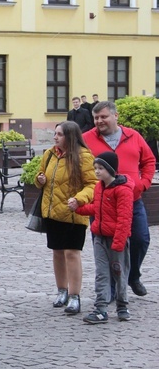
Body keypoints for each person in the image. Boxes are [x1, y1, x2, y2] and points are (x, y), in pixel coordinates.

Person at [82, 101, 155, 296]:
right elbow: (77, 164)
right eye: (96, 118)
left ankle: (132, 276)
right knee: (105, 247)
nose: (99, 121)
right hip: (102, 204)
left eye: (103, 117)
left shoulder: (133, 136)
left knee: (141, 239)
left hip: (132, 200)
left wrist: (143, 183)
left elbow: (149, 161)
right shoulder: (86, 139)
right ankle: (112, 289)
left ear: (116, 116)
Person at [35, 121, 97, 315]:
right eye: (55, 134)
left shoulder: (83, 157)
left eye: (59, 134)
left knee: (72, 253)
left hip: (73, 213)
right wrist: (39, 179)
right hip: (53, 212)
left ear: (70, 136)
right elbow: (41, 177)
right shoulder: (49, 154)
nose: (55, 137)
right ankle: (61, 290)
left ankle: (74, 295)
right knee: (57, 252)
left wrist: (79, 199)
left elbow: (93, 184)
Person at [70, 152, 134, 323]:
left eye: (101, 168)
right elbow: (96, 209)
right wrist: (78, 208)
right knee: (101, 273)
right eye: (96, 168)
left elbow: (124, 218)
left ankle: (122, 305)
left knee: (119, 273)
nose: (97, 172)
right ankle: (101, 308)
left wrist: (119, 243)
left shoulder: (123, 191)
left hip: (116, 240)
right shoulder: (100, 187)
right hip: (99, 237)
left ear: (111, 170)